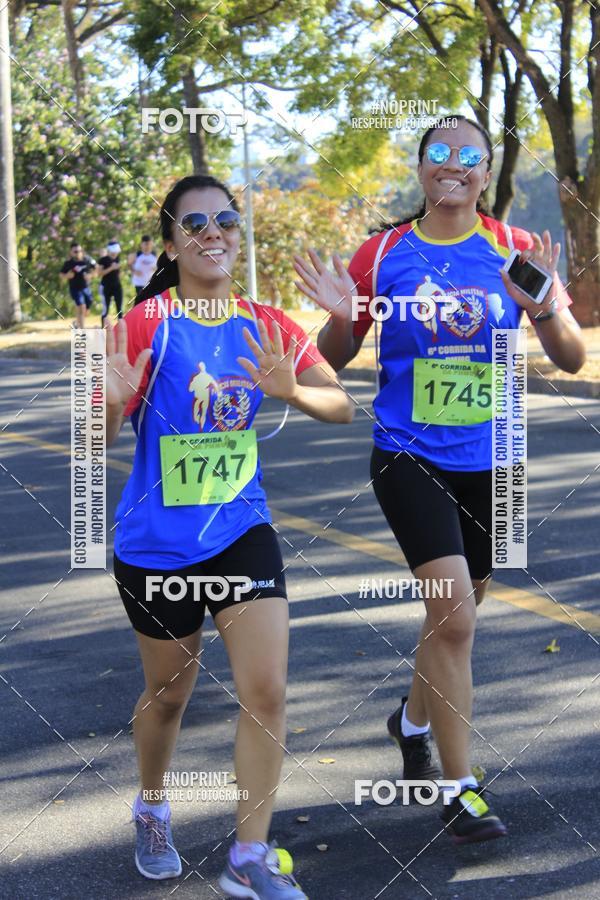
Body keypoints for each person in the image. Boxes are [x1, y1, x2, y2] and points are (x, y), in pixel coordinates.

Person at [294, 115, 586, 845]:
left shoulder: (517, 250)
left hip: (496, 458)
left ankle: (411, 719)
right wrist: (336, 319)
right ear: (422, 166)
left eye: (468, 156)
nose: (452, 164)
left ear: (485, 173)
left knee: (453, 619)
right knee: (454, 619)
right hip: (407, 455)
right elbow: (333, 355)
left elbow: (573, 359)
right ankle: (462, 792)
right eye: (439, 152)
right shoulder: (384, 251)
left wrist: (545, 305)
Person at [106, 174, 353, 897]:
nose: (213, 232)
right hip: (156, 545)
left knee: (268, 691)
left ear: (238, 235)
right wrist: (112, 398)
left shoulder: (266, 321)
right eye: (196, 223)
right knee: (170, 694)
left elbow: (339, 405)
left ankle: (250, 858)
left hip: (241, 531)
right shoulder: (144, 324)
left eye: (225, 220)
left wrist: (292, 391)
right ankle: (152, 804)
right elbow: (87, 440)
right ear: (172, 240)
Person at [59, 242, 96, 328]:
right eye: (75, 251)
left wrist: (90, 275)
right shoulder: (69, 263)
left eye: (79, 250)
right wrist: (68, 276)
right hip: (75, 288)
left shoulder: (88, 260)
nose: (78, 253)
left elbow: (97, 269)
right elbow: (61, 275)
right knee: (81, 306)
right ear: (71, 252)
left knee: (86, 309)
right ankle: (82, 331)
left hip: (86, 288)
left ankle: (77, 322)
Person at [97, 240, 123, 326]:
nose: (114, 254)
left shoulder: (118, 259)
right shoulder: (103, 260)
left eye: (116, 252)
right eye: (113, 252)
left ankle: (121, 328)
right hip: (106, 286)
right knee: (105, 310)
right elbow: (99, 273)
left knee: (119, 309)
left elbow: (118, 272)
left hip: (117, 286)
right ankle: (103, 330)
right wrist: (111, 268)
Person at [128, 234, 157, 301]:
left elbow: (159, 267)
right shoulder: (136, 255)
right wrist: (134, 271)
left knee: (150, 301)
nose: (147, 246)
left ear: (151, 244)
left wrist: (155, 270)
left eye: (149, 244)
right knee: (140, 301)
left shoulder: (155, 255)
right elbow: (129, 265)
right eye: (145, 244)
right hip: (139, 283)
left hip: (151, 283)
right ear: (141, 244)